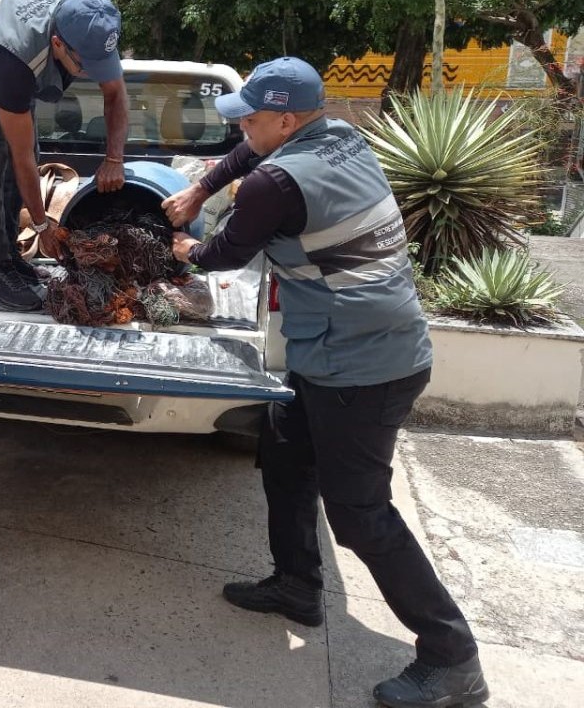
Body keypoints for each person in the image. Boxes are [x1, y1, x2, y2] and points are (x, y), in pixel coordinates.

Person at [162, 57, 489, 708]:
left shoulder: (276, 183)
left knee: (360, 515)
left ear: (287, 121)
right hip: (342, 351)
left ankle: (453, 658)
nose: (242, 129)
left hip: (365, 367)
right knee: (284, 454)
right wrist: (201, 187)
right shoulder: (340, 135)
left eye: (251, 119)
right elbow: (249, 155)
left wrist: (186, 250)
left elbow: (224, 252)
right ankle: (297, 585)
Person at [0, 0, 130, 311]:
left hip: (5, 41)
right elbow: (20, 157)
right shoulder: (20, 58)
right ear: (58, 44)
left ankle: (11, 257)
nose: (92, 75)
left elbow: (115, 93)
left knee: (29, 152)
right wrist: (41, 225)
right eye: (86, 67)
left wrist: (114, 158)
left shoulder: (91, 29)